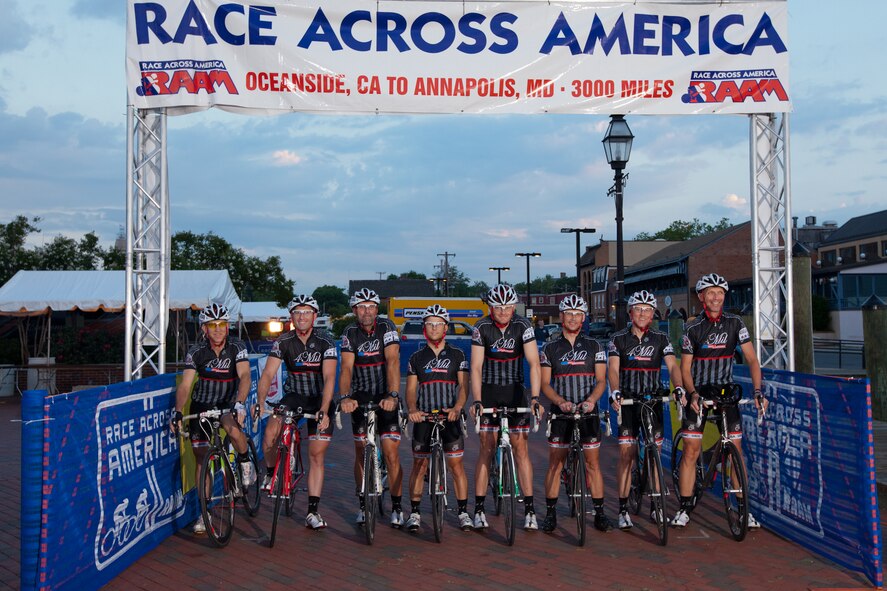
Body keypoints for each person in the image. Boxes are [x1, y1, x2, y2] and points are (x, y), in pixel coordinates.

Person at [671, 273, 768, 529]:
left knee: (735, 451)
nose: (715, 297)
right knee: (691, 452)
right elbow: (686, 368)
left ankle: (743, 509)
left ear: (724, 296)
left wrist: (758, 391)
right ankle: (684, 506)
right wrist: (692, 394)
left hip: (725, 393)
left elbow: (752, 360)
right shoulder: (692, 328)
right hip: (699, 394)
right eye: (710, 293)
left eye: (720, 293)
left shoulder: (736, 323)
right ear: (702, 297)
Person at [256, 295, 337, 529]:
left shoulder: (326, 341)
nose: (302, 316)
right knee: (271, 431)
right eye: (297, 312)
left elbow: (330, 376)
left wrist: (324, 408)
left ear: (314, 316)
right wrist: (261, 401)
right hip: (294, 396)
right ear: (291, 317)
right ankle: (272, 473)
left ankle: (312, 512)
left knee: (315, 454)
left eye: (306, 312)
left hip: (319, 399)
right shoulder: (283, 341)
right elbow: (268, 374)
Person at [171, 303, 251, 535]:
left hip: (227, 403)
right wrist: (178, 411)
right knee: (201, 458)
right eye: (212, 325)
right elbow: (186, 385)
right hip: (202, 404)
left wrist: (240, 402)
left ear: (228, 327)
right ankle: (203, 512)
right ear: (204, 329)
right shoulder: (196, 351)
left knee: (234, 430)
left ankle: (245, 461)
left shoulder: (237, 346)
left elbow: (244, 375)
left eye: (222, 325)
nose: (218, 330)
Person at [607, 290, 685, 530]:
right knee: (626, 454)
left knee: (654, 455)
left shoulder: (662, 339)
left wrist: (679, 386)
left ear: (653, 314)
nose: (642, 314)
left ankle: (656, 505)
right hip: (628, 402)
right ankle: (622, 508)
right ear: (631, 313)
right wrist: (615, 391)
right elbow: (612, 368)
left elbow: (672, 366)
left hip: (652, 402)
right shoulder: (618, 339)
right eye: (638, 309)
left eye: (647, 310)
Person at [470, 284, 543, 531]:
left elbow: (534, 364)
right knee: (486, 448)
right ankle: (479, 508)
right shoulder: (481, 327)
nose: (503, 312)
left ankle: (530, 509)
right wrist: (478, 400)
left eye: (508, 307)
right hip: (489, 390)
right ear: (490, 308)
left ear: (514, 307)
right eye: (498, 307)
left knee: (521, 448)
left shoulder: (523, 326)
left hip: (515, 390)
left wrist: (534, 397)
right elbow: (477, 367)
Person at [539, 294, 611, 533]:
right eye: (568, 313)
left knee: (593, 464)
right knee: (555, 464)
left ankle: (599, 513)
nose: (572, 318)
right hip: (561, 414)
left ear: (583, 317)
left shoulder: (595, 346)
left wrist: (591, 400)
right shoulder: (550, 348)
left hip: (588, 412)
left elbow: (601, 380)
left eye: (577, 314)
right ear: (561, 317)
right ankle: (550, 514)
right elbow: (545, 384)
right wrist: (560, 402)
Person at [338, 288, 405, 528]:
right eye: (361, 307)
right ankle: (363, 504)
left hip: (385, 395)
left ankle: (397, 506)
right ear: (355, 310)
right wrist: (345, 396)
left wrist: (393, 394)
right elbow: (346, 368)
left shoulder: (387, 329)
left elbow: (393, 361)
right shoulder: (350, 333)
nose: (367, 311)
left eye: (371, 306)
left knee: (391, 452)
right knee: (360, 452)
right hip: (360, 397)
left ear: (377, 309)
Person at [404, 305, 473, 532]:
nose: (434, 328)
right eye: (429, 324)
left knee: (456, 466)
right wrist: (412, 409)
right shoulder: (416, 357)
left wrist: (458, 407)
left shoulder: (457, 354)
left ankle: (463, 512)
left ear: (445, 327)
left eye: (438, 324)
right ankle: (414, 513)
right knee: (419, 465)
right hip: (424, 417)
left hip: (449, 417)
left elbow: (464, 385)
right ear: (425, 328)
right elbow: (411, 390)